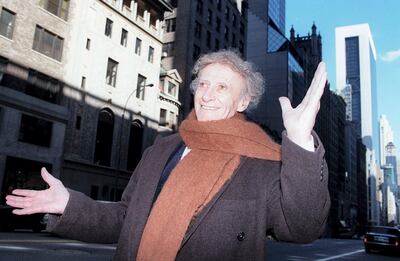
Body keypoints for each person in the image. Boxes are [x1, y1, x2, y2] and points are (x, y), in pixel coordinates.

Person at [6, 50, 330, 261]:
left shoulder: (262, 163)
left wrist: (300, 141)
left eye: (222, 88)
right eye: (203, 84)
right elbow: (125, 220)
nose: (207, 95)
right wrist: (69, 205)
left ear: (243, 102)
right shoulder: (162, 148)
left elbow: (301, 229)